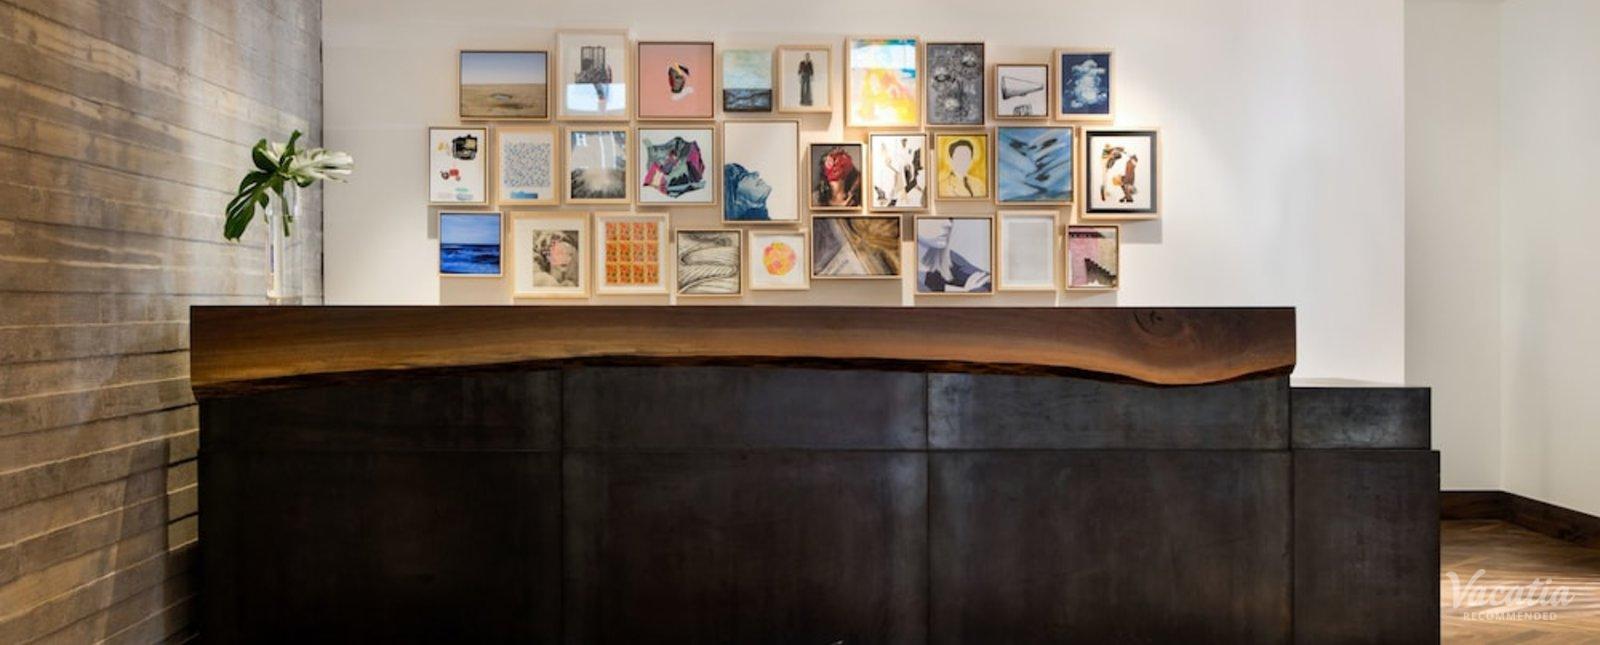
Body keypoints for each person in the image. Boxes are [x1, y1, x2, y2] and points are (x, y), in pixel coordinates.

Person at [916, 218, 990, 293]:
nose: (949, 224)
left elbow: (987, 280)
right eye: (936, 218)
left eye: (950, 218)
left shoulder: (946, 258)